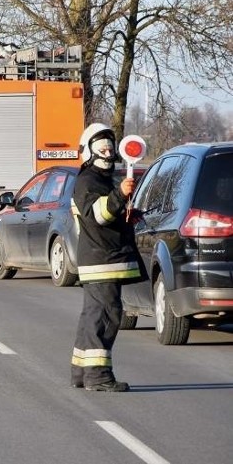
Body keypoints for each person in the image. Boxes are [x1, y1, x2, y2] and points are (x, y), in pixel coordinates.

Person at [70, 123, 146, 392]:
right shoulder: (88, 181)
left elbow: (107, 216)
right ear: (90, 151)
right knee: (106, 316)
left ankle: (81, 372)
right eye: (102, 147)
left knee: (92, 316)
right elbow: (99, 215)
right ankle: (98, 376)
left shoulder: (96, 180)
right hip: (102, 260)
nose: (108, 151)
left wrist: (128, 216)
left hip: (100, 259)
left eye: (109, 147)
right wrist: (119, 194)